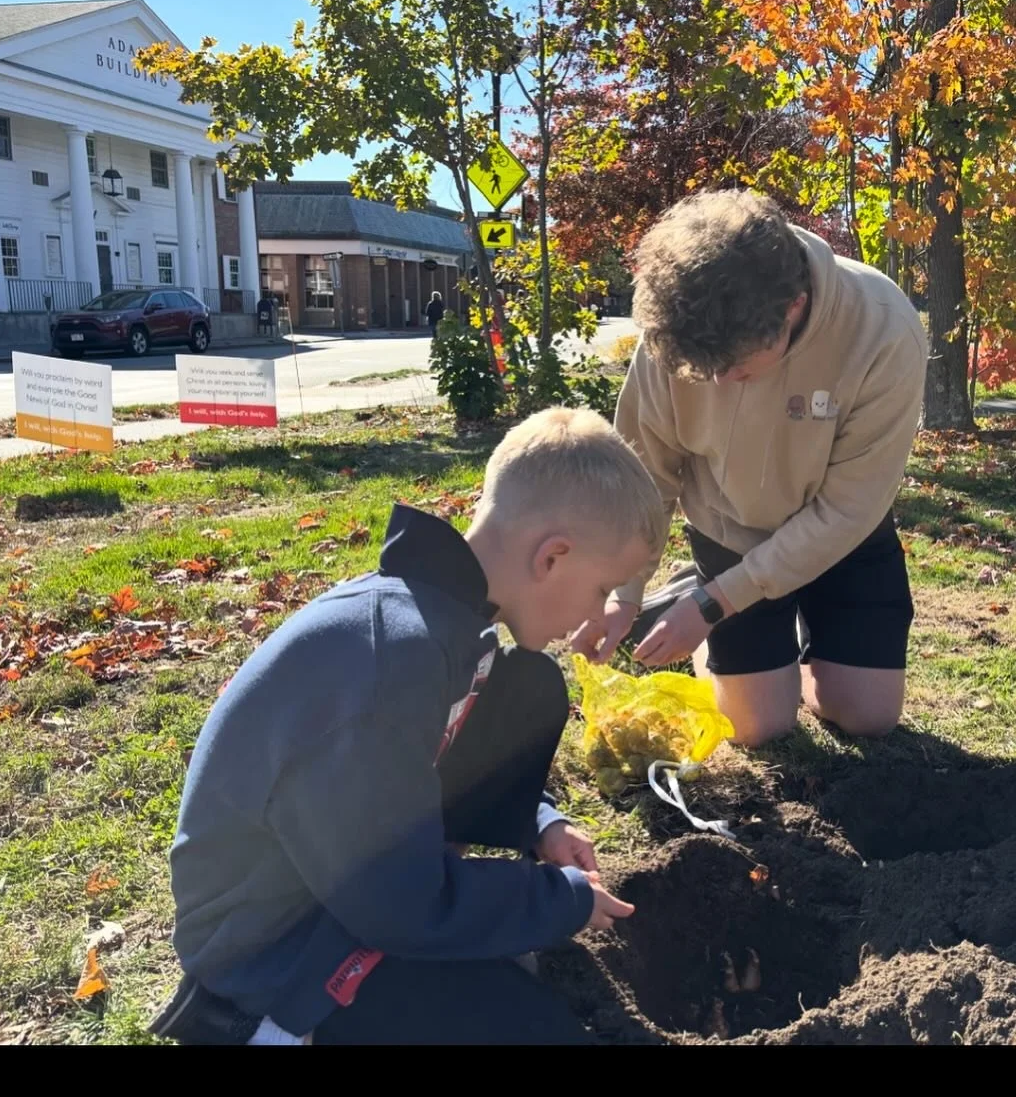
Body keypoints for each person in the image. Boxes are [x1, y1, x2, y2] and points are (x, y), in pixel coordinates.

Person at [149, 407, 666, 1046]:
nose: (594, 615)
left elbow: (427, 768)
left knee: (527, 689)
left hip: (345, 896)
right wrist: (560, 900)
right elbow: (402, 904)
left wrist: (540, 821)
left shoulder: (437, 620)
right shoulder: (387, 663)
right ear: (553, 556)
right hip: (280, 954)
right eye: (602, 589)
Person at [572, 190, 928, 746]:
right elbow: (647, 475)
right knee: (758, 727)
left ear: (792, 307)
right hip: (729, 529)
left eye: (735, 368)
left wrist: (716, 604)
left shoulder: (883, 329)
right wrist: (621, 591)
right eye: (699, 369)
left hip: (842, 538)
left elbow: (848, 509)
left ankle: (723, 614)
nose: (713, 385)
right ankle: (699, 608)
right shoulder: (680, 326)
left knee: (865, 717)